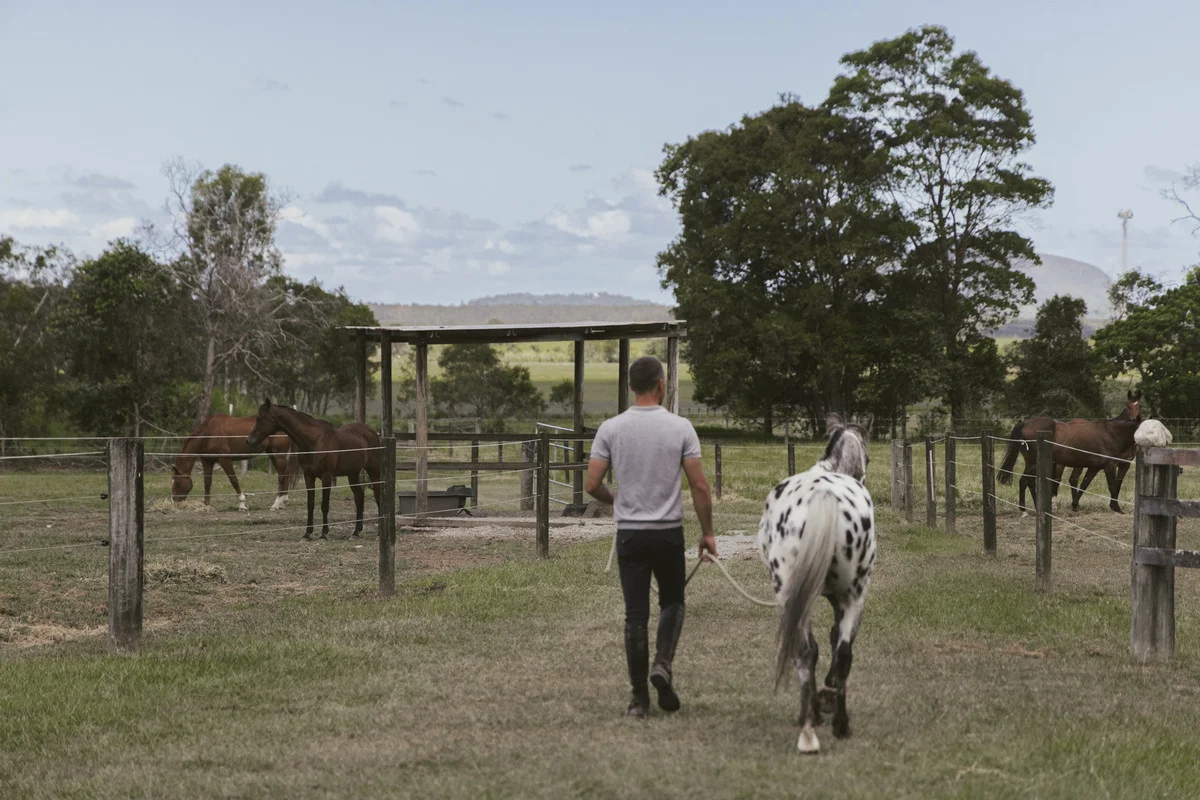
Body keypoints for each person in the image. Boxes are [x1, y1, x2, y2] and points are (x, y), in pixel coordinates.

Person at [585, 355, 717, 718]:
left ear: (631, 387)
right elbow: (700, 486)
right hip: (668, 534)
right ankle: (663, 663)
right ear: (662, 384)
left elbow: (592, 484)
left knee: (635, 616)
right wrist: (707, 534)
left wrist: (617, 500)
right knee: (672, 603)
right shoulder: (681, 428)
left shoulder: (610, 429)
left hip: (630, 535)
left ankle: (639, 700)